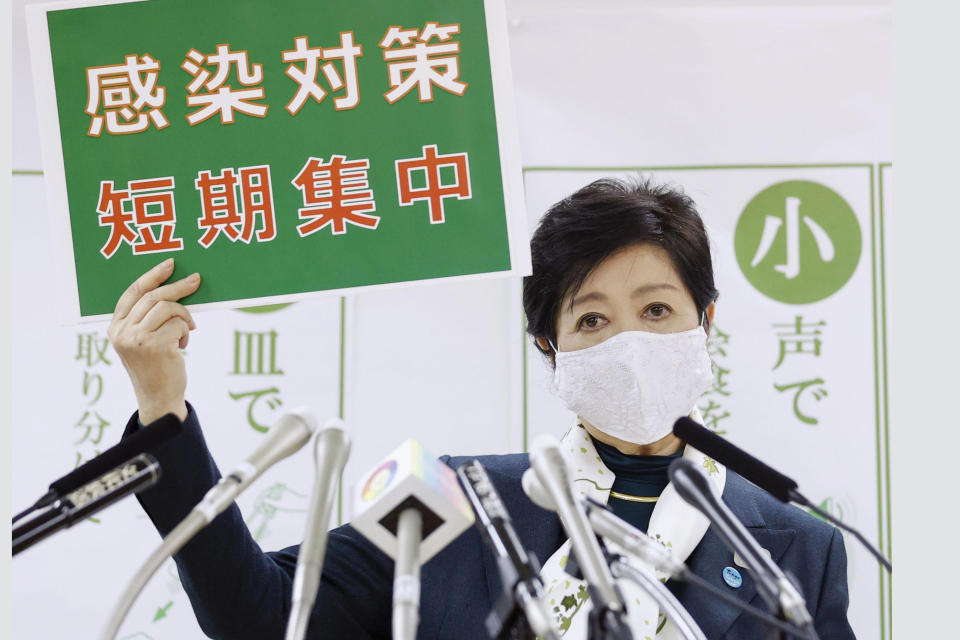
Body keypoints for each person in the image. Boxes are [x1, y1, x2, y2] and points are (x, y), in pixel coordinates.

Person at [108, 176, 855, 639]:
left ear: (706, 322)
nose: (628, 341)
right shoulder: (448, 497)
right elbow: (266, 618)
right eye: (591, 319)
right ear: (549, 345)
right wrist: (161, 404)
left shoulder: (797, 546)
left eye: (657, 310)